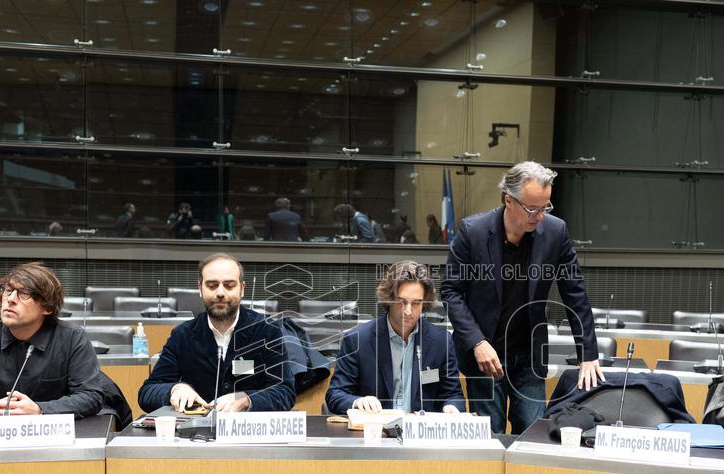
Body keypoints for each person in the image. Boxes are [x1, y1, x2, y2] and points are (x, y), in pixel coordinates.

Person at [441, 161, 604, 434]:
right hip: (485, 356)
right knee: (488, 437)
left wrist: (587, 354)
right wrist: (476, 342)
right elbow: (451, 291)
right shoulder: (473, 231)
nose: (539, 215)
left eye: (546, 207)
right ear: (509, 200)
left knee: (531, 435)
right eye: (532, 208)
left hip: (529, 355)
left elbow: (575, 293)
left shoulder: (556, 232)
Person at [0, 262, 104, 419]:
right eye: (8, 290)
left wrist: (39, 409)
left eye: (24, 293)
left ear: (47, 307)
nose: (10, 299)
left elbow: (91, 396)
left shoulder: (71, 338)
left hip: (53, 440)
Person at [138, 253, 295, 413]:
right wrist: (175, 389)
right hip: (196, 433)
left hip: (249, 431)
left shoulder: (267, 331)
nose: (220, 293)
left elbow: (285, 392)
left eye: (229, 285)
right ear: (200, 289)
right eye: (212, 285)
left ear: (242, 289)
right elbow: (147, 392)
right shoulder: (182, 335)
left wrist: (247, 400)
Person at [326, 260, 465, 414]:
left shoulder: (441, 341)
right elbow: (335, 395)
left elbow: (453, 395)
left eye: (416, 303)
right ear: (388, 299)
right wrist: (358, 402)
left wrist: (451, 407)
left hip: (420, 433)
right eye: (401, 302)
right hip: (375, 431)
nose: (408, 311)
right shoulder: (357, 340)